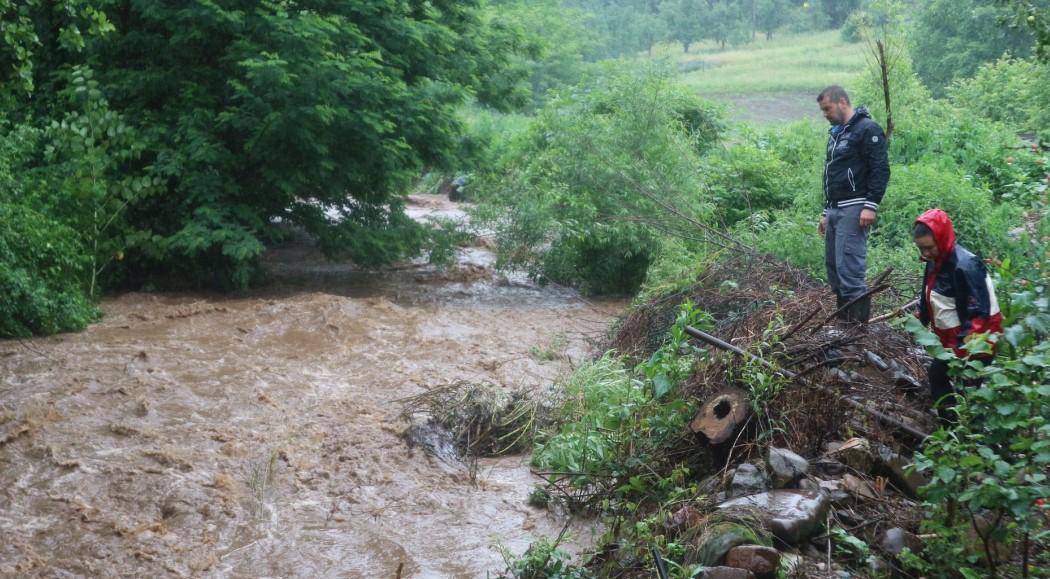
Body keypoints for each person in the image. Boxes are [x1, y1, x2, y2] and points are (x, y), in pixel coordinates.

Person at [912, 208, 1003, 420]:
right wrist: (919, 321)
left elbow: (979, 315)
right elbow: (928, 294)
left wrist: (963, 352)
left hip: (974, 345)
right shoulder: (935, 260)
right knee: (939, 379)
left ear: (941, 238)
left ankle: (964, 437)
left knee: (966, 393)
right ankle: (950, 431)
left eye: (928, 248)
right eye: (920, 249)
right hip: (953, 344)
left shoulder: (966, 266)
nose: (925, 254)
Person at [816, 86, 890, 323]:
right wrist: (826, 211)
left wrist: (871, 205)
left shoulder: (867, 129)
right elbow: (832, 175)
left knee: (850, 272)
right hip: (836, 208)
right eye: (823, 110)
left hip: (855, 206)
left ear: (843, 102)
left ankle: (856, 335)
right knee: (835, 271)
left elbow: (880, 169)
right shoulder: (836, 134)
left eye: (827, 108)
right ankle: (843, 328)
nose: (825, 114)